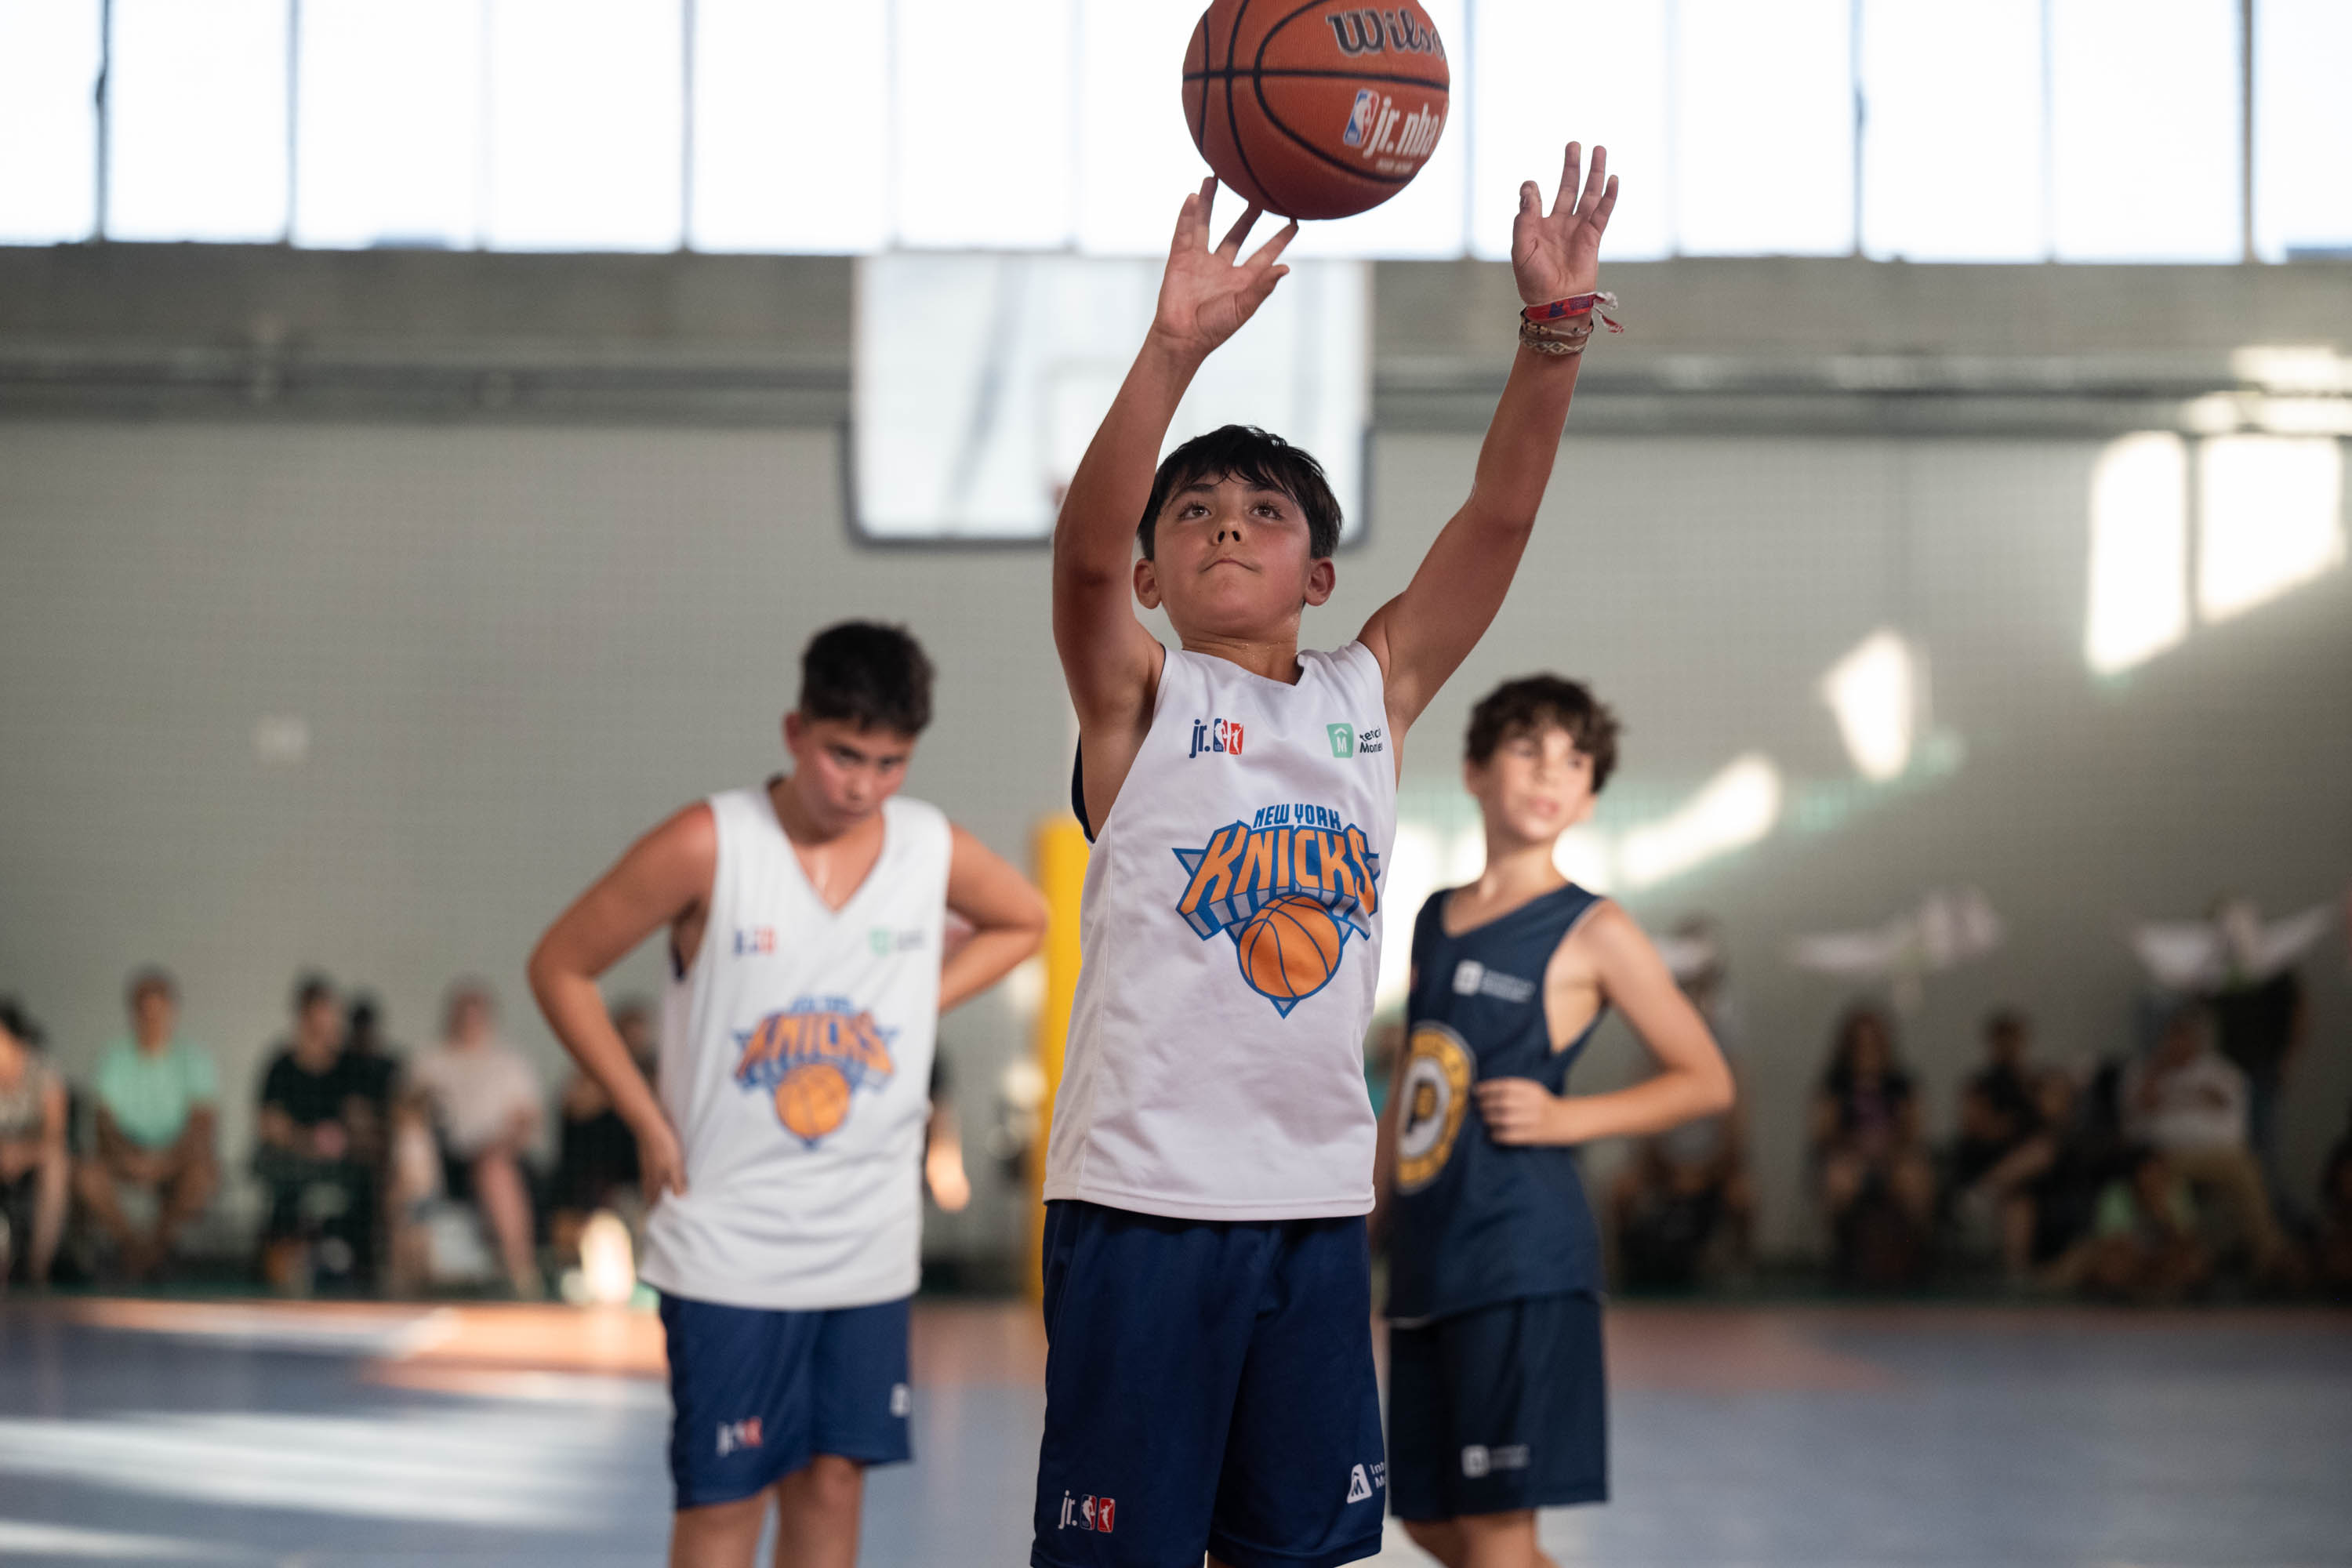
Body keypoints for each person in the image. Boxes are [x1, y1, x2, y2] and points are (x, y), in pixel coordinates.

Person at [1038, 141, 1617, 1568]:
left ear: (1318, 574)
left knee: (1298, 1553)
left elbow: (1498, 521)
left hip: (1311, 1208)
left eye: (1264, 513)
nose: (1227, 525)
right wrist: (1171, 353)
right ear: (1156, 578)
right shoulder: (1141, 698)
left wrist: (1552, 337)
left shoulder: (1372, 693)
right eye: (1193, 515)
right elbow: (1079, 560)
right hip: (1144, 1206)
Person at [528, 620, 1047, 1568]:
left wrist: (915, 999)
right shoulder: (710, 841)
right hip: (730, 1242)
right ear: (795, 730)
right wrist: (643, 1114)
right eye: (844, 754)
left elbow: (1027, 919)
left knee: (834, 1485)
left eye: (890, 762)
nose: (863, 784)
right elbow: (560, 964)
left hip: (868, 1244)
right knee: (727, 1502)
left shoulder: (927, 846)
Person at [1377, 677, 1732, 1567]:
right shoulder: (1434, 917)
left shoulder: (1594, 928)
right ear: (1473, 771)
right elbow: (1420, 1072)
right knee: (1425, 1515)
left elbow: (1705, 1079)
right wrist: (1370, 1206)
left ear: (1591, 797)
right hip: (1428, 1255)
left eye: (1575, 761)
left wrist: (1572, 1115)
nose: (1550, 773)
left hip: (1520, 1256)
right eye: (1528, 748)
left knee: (1499, 1530)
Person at [1610, 916, 1755, 1287]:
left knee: (1742, 1196)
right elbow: (1644, 1108)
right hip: (1663, 1162)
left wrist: (1714, 1167)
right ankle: (1627, 1270)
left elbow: (1735, 1115)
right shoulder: (1654, 1034)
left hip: (1713, 1163)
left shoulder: (1726, 1037)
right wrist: (1661, 1164)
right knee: (1623, 1190)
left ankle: (1739, 1270)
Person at [2121, 1001, 2286, 1279]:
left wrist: (2186, 1099)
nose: (2179, 1043)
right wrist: (2157, 1074)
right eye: (2173, 1035)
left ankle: (2271, 1258)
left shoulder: (2221, 1073)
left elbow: (2234, 1127)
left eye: (2185, 1035)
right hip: (2164, 1156)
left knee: (2245, 1169)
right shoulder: (2143, 1071)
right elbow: (2133, 1123)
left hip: (2217, 1156)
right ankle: (2180, 1264)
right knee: (2157, 1175)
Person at [405, 982, 547, 1298]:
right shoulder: (430, 1060)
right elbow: (409, 1112)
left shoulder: (509, 1064)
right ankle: (408, 1277)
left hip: (499, 1154)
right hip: (444, 1159)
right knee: (411, 1164)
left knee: (494, 1169)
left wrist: (500, 1145)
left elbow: (527, 1121)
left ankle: (520, 1271)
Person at [78, 967, 220, 1279]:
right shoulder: (114, 1057)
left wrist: (164, 1161)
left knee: (202, 1177)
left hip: (177, 1157)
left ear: (172, 1011)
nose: (153, 1020)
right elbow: (103, 1123)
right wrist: (133, 1159)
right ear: (133, 1014)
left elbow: (202, 1127)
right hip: (125, 1155)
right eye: (145, 1012)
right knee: (88, 1177)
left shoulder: (194, 1059)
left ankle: (150, 1251)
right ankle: (136, 1249)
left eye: (159, 1011)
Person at [254, 974, 378, 1290]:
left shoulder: (349, 1065)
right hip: (292, 1162)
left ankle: (351, 1257)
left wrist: (346, 1137)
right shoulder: (282, 1065)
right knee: (286, 1185)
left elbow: (361, 1120)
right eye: (318, 1015)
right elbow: (270, 1124)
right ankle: (288, 1254)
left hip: (342, 1164)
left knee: (368, 1183)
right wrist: (308, 1141)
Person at [1810, 1004, 1936, 1285]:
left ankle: (1917, 1255)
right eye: (1860, 1041)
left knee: (1914, 1178)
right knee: (1838, 1179)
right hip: (1850, 1157)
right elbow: (1823, 1132)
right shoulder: (1835, 1083)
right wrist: (1857, 1144)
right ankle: (1842, 1256)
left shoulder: (1900, 1083)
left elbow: (1915, 1130)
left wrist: (1887, 1147)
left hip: (1893, 1157)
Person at [550, 995, 659, 1265]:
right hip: (594, 1184)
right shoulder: (590, 1076)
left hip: (637, 1182)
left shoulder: (654, 1074)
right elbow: (575, 1107)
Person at [1949, 1007, 2048, 1280]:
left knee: (2022, 1199)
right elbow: (1976, 1126)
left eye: (2014, 1039)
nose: (2009, 1047)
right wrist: (2008, 1126)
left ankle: (2016, 1277)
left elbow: (2049, 1122)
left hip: (2022, 1179)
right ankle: (1982, 1191)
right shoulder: (1979, 1084)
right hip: (1983, 1161)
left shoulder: (2031, 1083)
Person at [0, 997, 69, 1287]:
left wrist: (20, 1153)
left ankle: (37, 1267)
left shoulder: (43, 1072)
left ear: (18, 1042)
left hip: (31, 1161)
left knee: (56, 1164)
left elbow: (54, 1135)